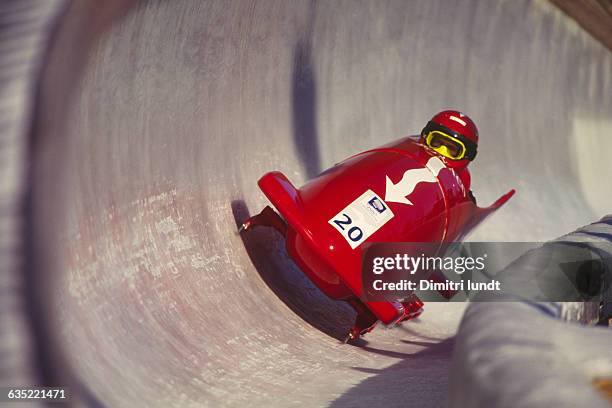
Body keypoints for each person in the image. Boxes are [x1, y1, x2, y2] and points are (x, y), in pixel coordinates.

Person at [419, 110, 479, 203]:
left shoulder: (461, 183)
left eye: (451, 149)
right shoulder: (410, 150)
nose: (442, 152)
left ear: (465, 156)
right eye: (437, 142)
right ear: (426, 136)